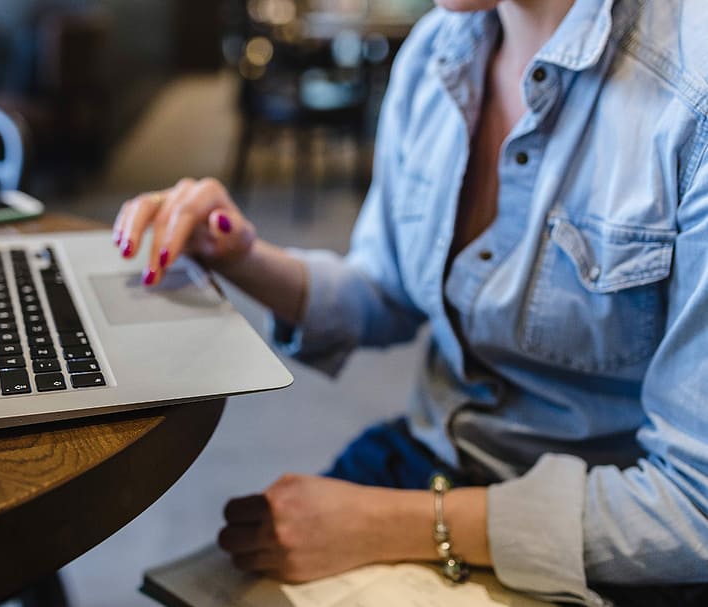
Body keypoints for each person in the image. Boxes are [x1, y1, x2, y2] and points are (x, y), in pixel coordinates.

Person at [114, 0, 708, 604]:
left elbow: (696, 508)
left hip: (602, 540)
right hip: (430, 459)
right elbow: (386, 290)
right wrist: (240, 255)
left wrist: (392, 523)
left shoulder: (692, 91)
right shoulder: (438, 50)